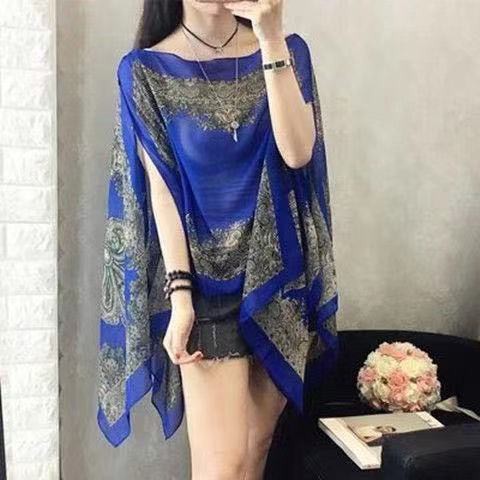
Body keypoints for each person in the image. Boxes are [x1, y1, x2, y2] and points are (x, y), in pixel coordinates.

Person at [96, 0, 339, 478]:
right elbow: (162, 194)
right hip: (205, 291)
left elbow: (298, 152)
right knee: (222, 468)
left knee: (256, 450)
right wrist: (181, 297)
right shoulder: (144, 71)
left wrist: (270, 37)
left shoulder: (288, 50)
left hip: (279, 279)